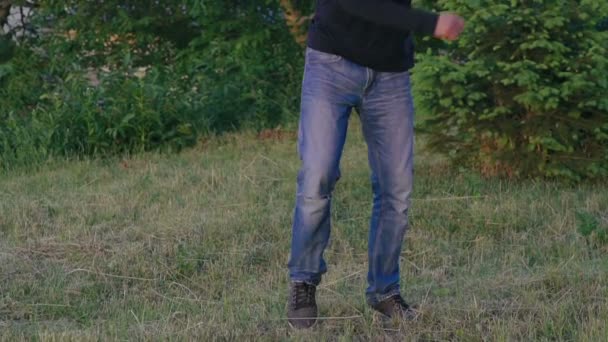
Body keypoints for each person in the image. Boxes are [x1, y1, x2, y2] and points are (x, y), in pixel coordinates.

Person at [287, 0, 465, 329]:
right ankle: (303, 281)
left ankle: (384, 290)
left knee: (396, 189)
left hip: (390, 72)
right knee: (318, 175)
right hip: (331, 64)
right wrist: (431, 22)